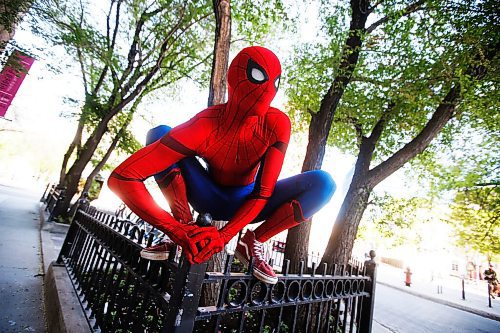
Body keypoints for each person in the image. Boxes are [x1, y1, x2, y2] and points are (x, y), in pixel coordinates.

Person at [108, 46, 335, 284]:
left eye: (275, 82)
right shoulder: (205, 124)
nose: (267, 90)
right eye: (258, 77)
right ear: (234, 78)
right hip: (207, 194)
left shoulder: (277, 124)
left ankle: (252, 242)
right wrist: (177, 231)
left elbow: (263, 193)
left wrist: (225, 236)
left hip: (248, 203)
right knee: (159, 133)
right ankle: (184, 226)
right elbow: (122, 178)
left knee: (323, 183)